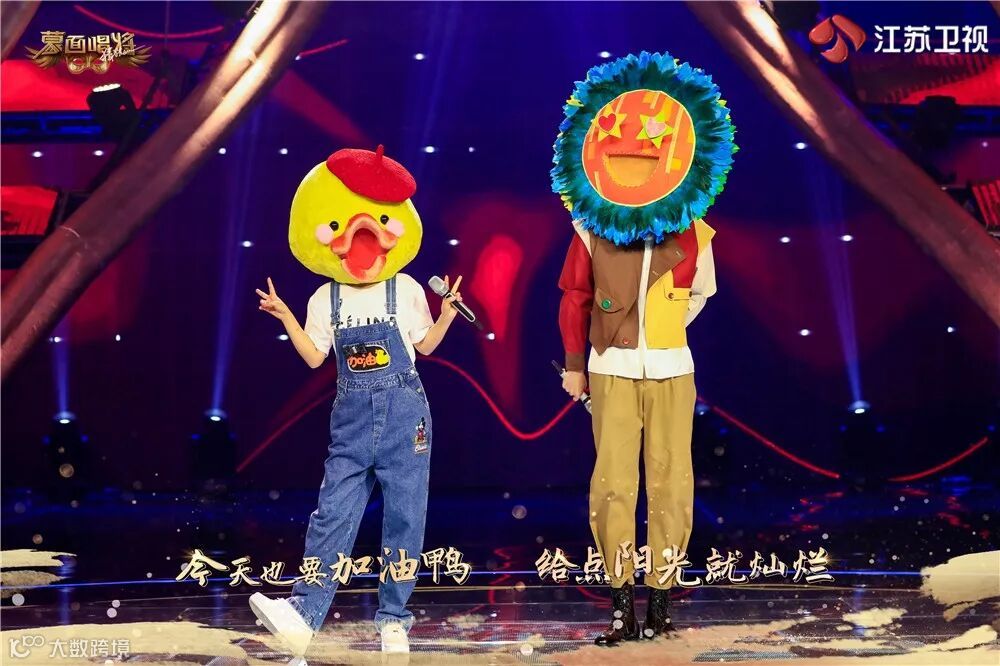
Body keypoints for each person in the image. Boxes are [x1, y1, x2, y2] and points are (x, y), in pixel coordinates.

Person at [550, 51, 737, 645]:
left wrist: (667, 325)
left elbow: (701, 293)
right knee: (612, 483)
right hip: (610, 370)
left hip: (673, 371)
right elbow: (574, 298)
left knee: (672, 483)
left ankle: (660, 602)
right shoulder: (591, 226)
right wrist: (576, 366)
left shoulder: (695, 231)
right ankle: (619, 604)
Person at [248, 145, 464, 657]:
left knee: (405, 517)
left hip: (406, 416)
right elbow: (313, 357)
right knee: (332, 513)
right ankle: (303, 617)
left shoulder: (405, 288)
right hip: (350, 421)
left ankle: (394, 620)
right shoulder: (324, 298)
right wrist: (286, 316)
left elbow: (426, 347)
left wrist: (447, 314)